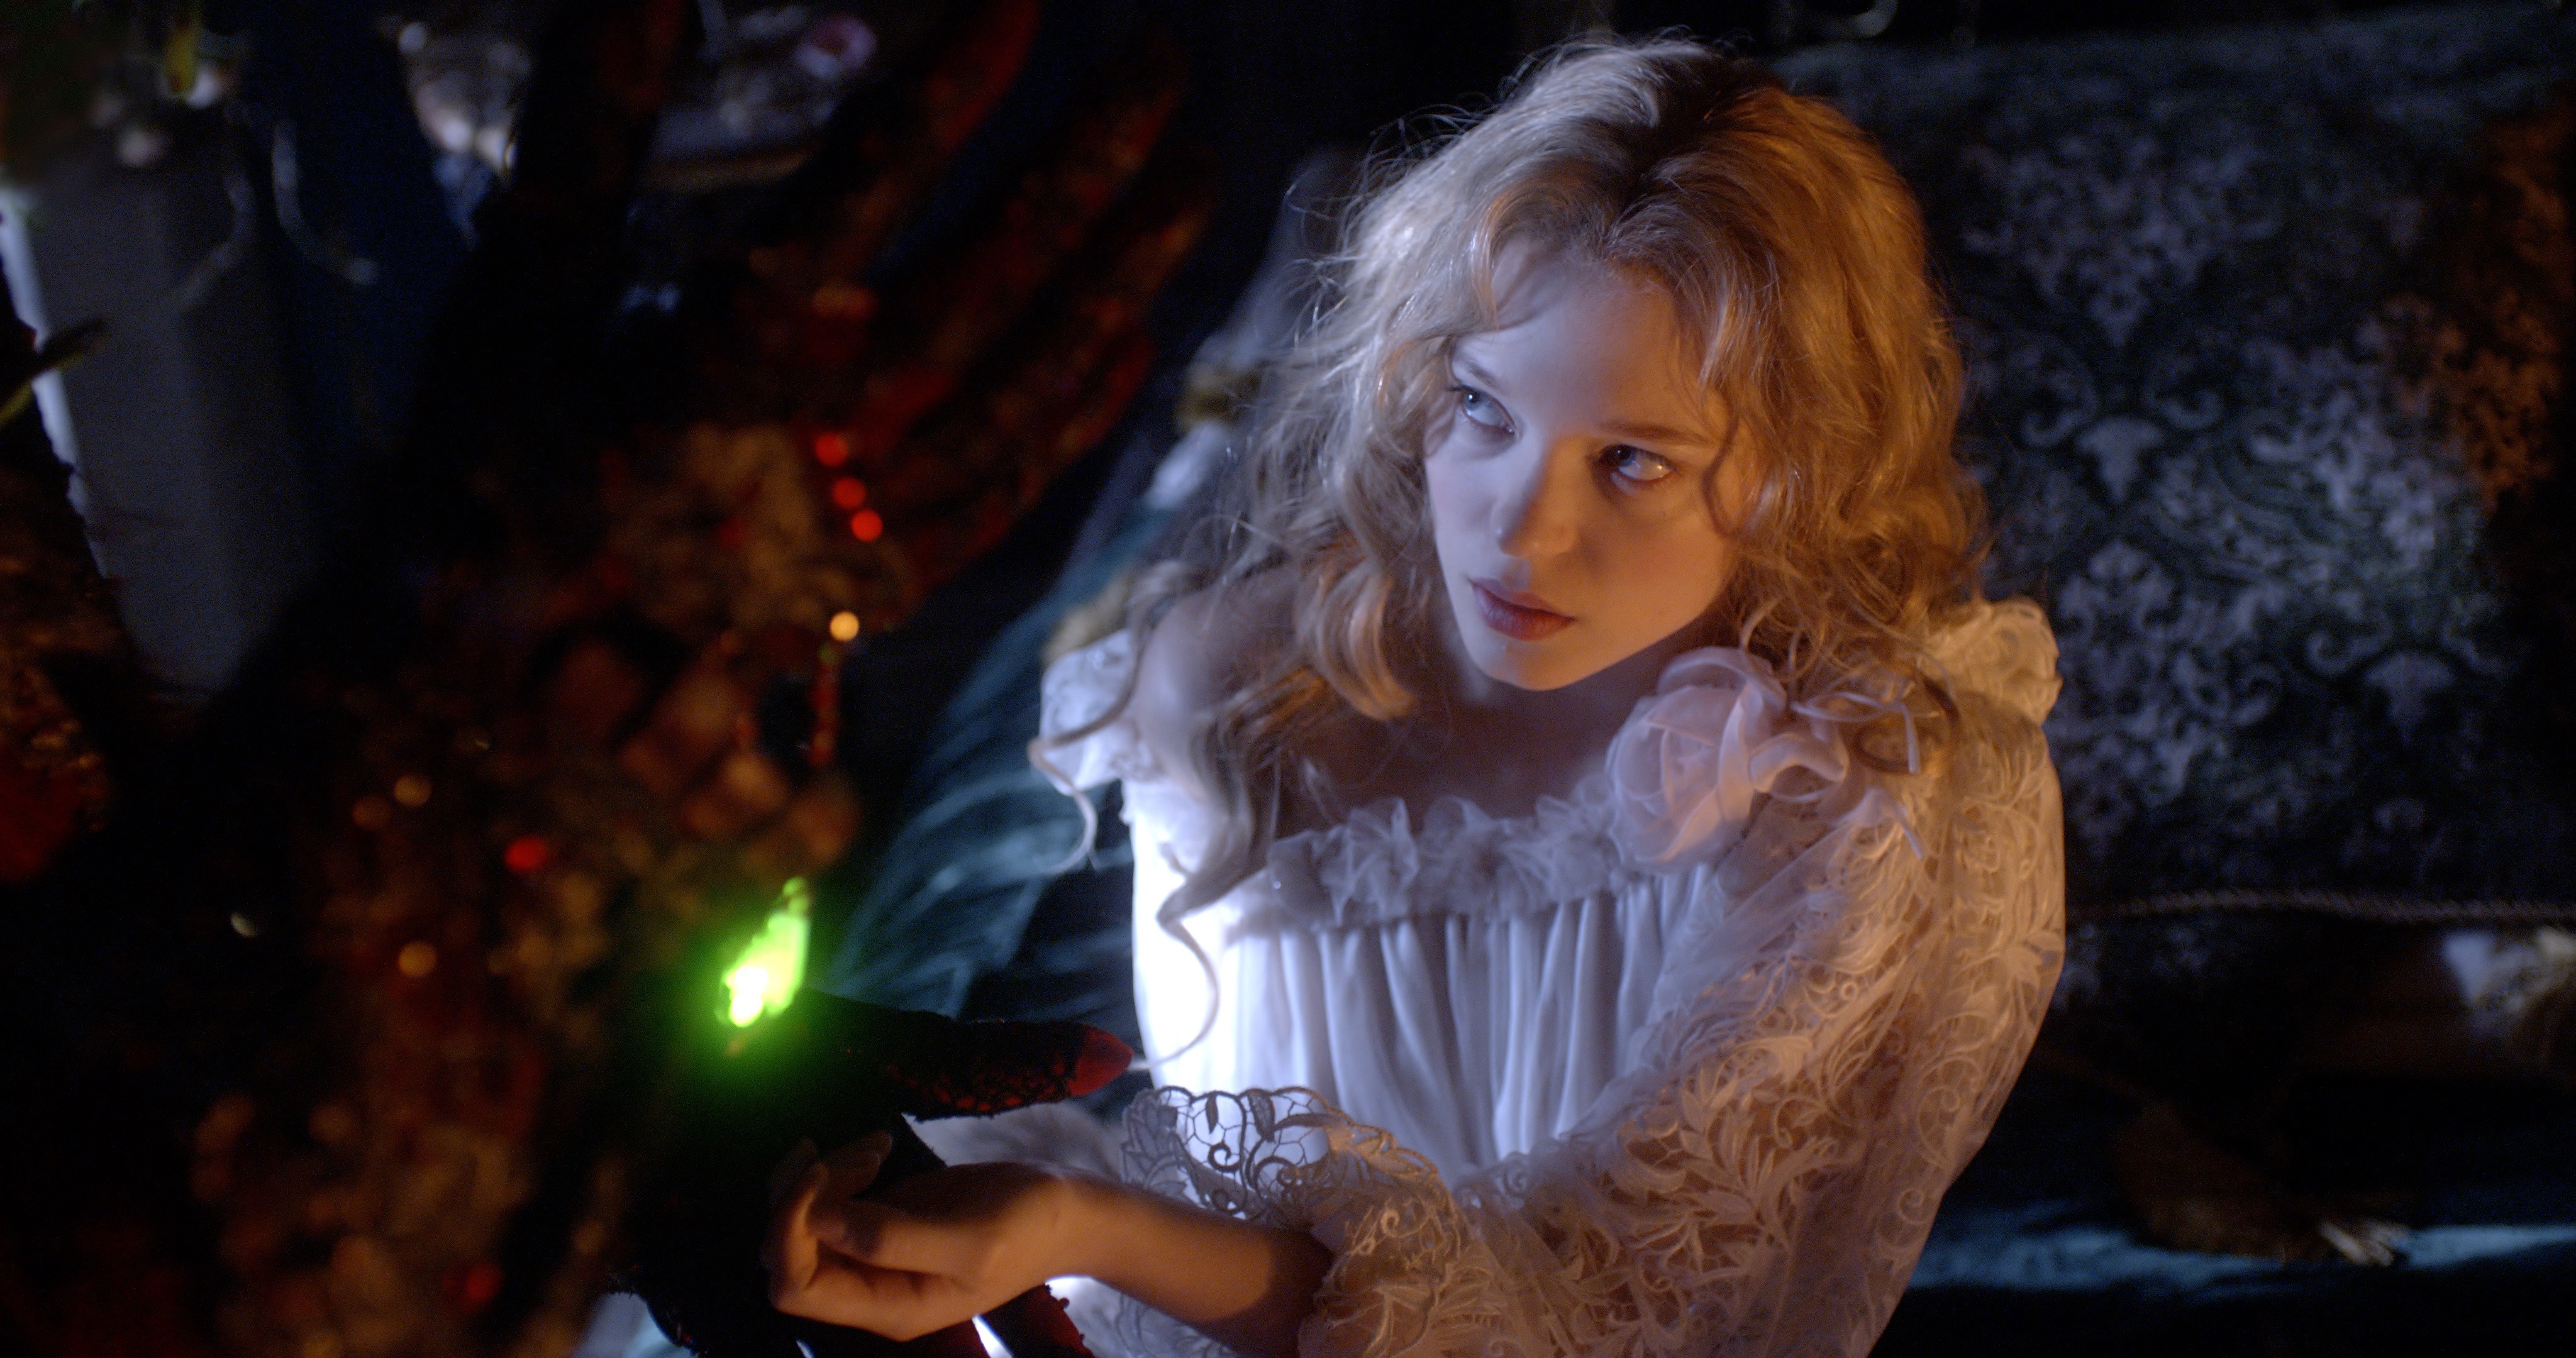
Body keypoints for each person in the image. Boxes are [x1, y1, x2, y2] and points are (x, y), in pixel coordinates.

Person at [762, 37, 2065, 1358]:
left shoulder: (1850, 784)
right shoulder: (1243, 694)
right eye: (1480, 408)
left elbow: (1589, 1303)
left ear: (1799, 472)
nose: (1519, 532)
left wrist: (1078, 1226)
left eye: (1631, 461)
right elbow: (1211, 1152)